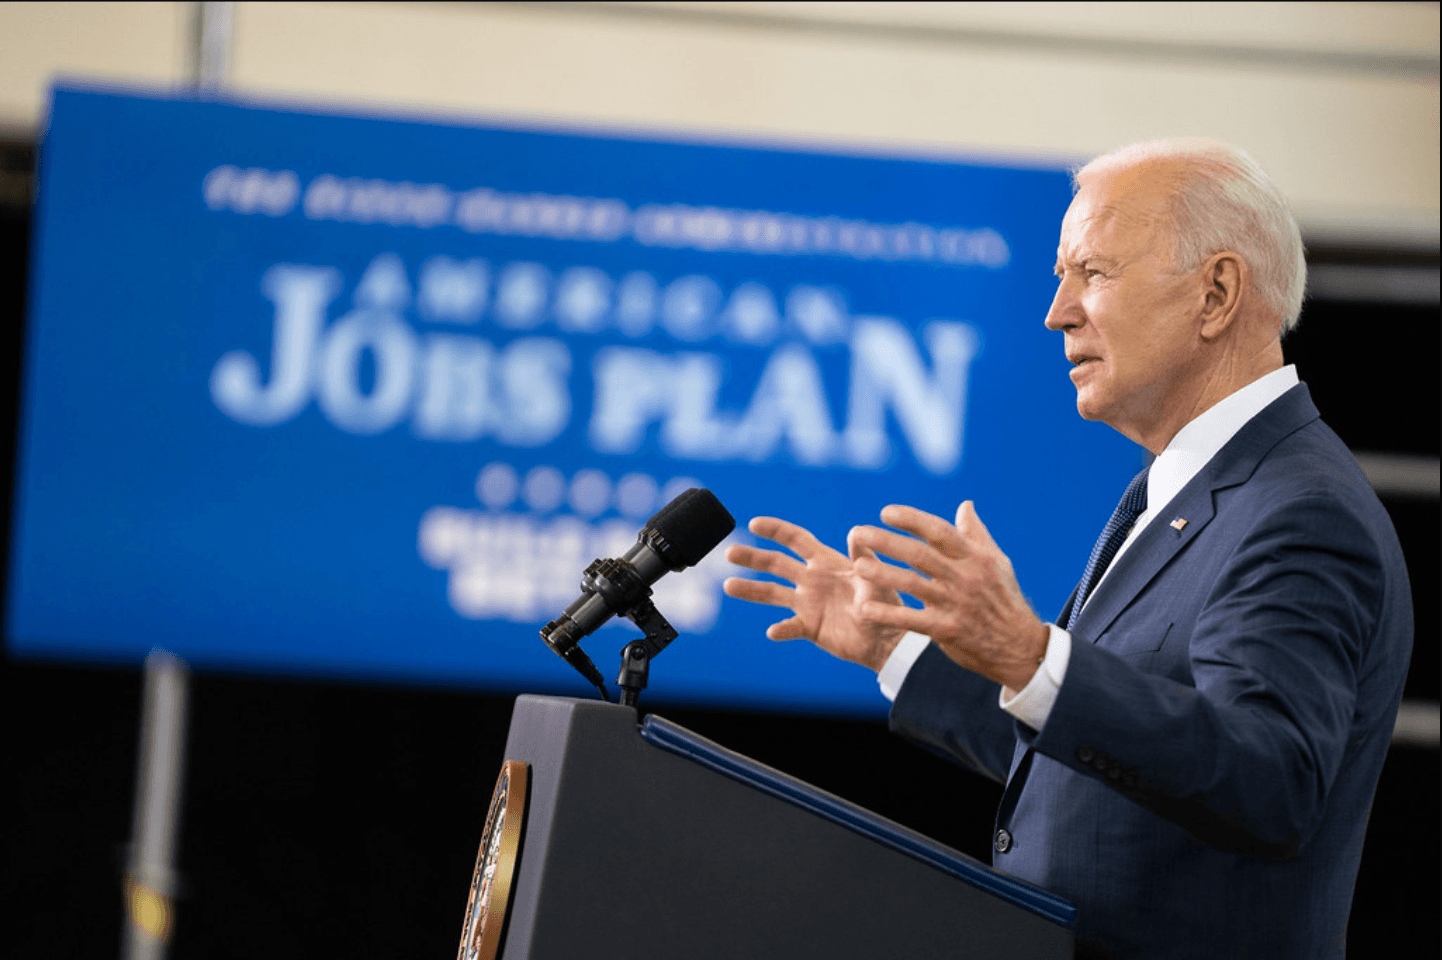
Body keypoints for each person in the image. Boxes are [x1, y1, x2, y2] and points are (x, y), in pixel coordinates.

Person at [722, 139, 1412, 959]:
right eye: (1060, 277)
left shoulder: (1299, 509)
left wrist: (1030, 652)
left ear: (1217, 292)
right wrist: (897, 648)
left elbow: (1268, 781)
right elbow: (1090, 763)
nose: (1057, 311)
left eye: (1093, 272)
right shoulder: (1175, 488)